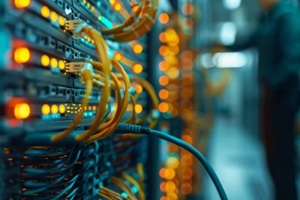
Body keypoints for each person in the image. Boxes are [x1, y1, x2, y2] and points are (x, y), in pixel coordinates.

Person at [221, 0, 300, 199]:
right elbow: (250, 41)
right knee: (273, 157)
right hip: (271, 96)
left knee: (282, 157)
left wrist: (272, 84)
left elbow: (292, 61)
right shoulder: (268, 18)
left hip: (282, 98)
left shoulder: (287, 16)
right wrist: (219, 46)